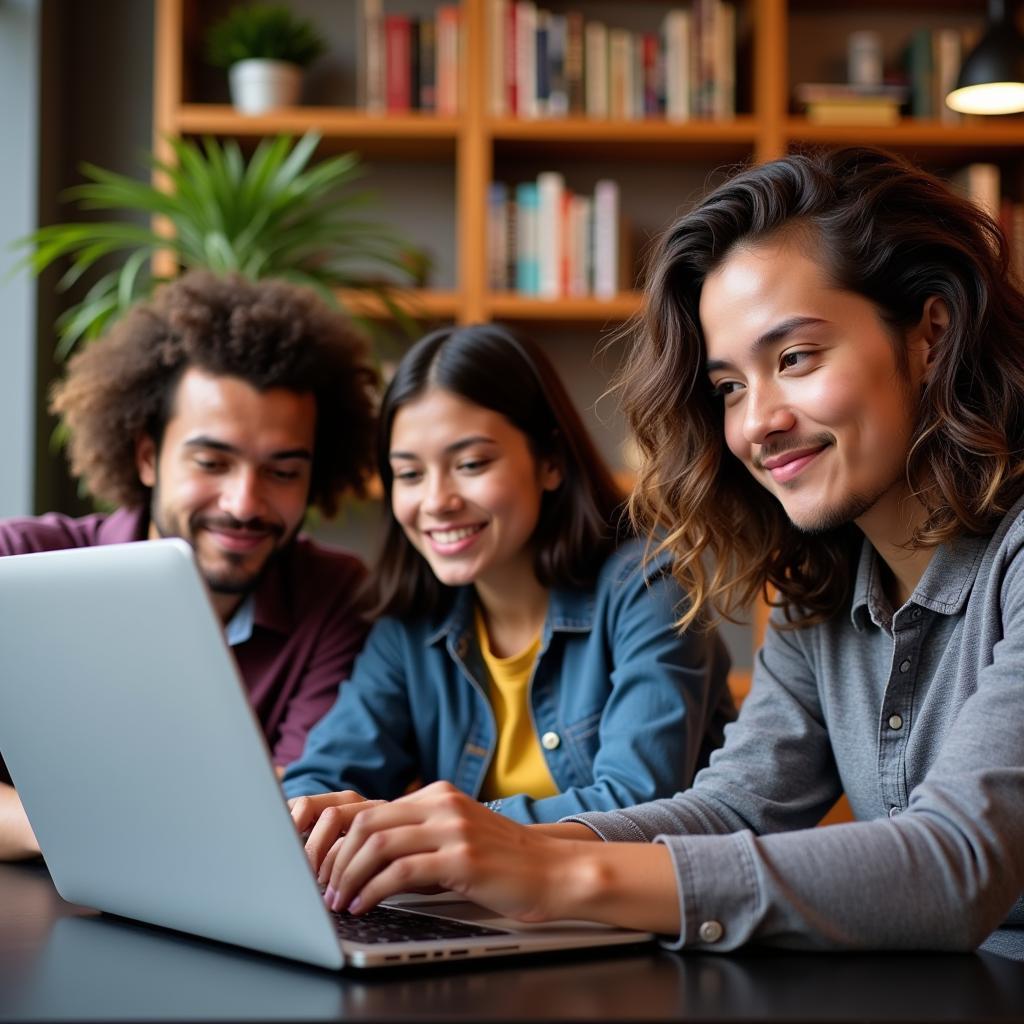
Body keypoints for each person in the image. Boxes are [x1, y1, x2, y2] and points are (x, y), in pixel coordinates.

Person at [301, 148, 1024, 952]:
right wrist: (488, 849)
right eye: (730, 387)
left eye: (794, 359)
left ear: (930, 333)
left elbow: (958, 865)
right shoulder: (819, 583)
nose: (757, 423)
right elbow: (733, 809)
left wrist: (548, 873)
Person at [284, 323, 735, 851]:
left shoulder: (648, 584)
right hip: (486, 920)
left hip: (648, 915)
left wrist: (448, 825)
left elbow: (637, 804)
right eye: (409, 474)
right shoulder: (410, 623)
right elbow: (322, 781)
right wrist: (311, 814)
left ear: (549, 462)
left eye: (471, 464)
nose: (435, 501)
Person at [0, 271, 377, 859]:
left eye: (282, 472)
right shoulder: (20, 564)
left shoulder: (334, 598)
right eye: (212, 462)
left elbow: (299, 805)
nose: (245, 503)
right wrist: (66, 825)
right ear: (148, 456)